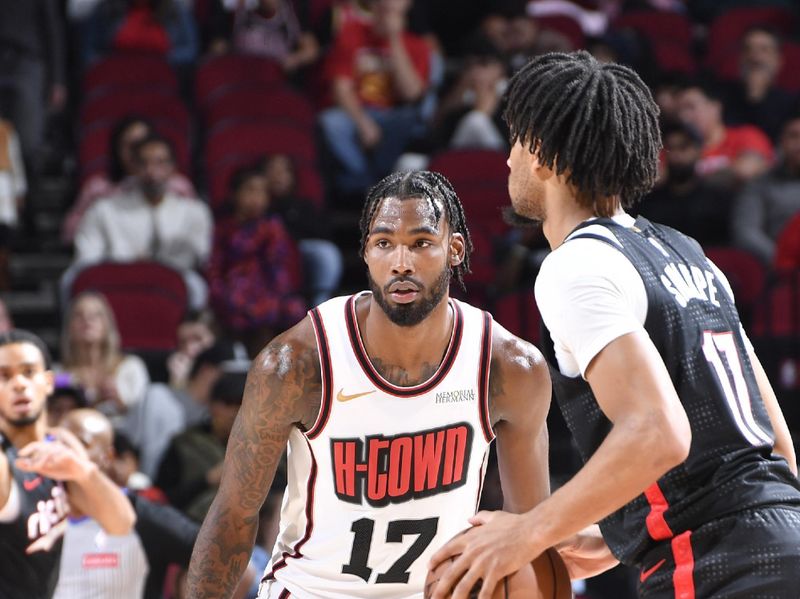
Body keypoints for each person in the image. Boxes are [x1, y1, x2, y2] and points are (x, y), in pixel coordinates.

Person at [429, 51, 800, 599]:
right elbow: (776, 451)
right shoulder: (690, 254)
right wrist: (619, 532)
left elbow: (659, 431)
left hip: (721, 566)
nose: (506, 161)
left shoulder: (576, 265)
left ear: (545, 156)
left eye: (516, 142)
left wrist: (528, 531)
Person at [185, 170, 558, 598]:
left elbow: (530, 528)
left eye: (420, 243)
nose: (401, 262)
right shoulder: (296, 366)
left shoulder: (510, 368)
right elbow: (235, 513)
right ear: (365, 252)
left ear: (454, 249)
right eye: (384, 243)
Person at [52, 407, 255, 599]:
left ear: (108, 457)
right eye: (58, 442)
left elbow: (233, 565)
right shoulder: (38, 512)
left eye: (81, 443)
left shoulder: (142, 515)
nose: (68, 452)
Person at [0, 329, 136, 598]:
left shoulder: (62, 444)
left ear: (48, 382)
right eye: (4, 376)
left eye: (28, 372)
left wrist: (82, 471)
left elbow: (122, 523)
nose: (19, 384)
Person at [72, 133, 212, 310]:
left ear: (173, 167)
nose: (152, 172)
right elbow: (86, 262)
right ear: (133, 167)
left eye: (160, 163)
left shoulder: (195, 212)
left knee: (197, 286)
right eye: (144, 163)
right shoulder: (104, 210)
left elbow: (199, 258)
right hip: (116, 285)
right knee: (70, 280)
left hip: (173, 287)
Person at [319, 0, 432, 195]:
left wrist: (394, 40)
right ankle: (366, 180)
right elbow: (341, 89)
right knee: (330, 122)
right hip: (356, 112)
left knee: (415, 120)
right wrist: (363, 123)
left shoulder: (418, 45)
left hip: (393, 116)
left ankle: (384, 180)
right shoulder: (351, 33)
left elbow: (412, 94)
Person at [731, 114, 800, 265]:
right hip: (780, 272)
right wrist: (782, 259)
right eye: (793, 136)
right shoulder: (759, 184)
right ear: (781, 142)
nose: (798, 144)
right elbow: (746, 233)